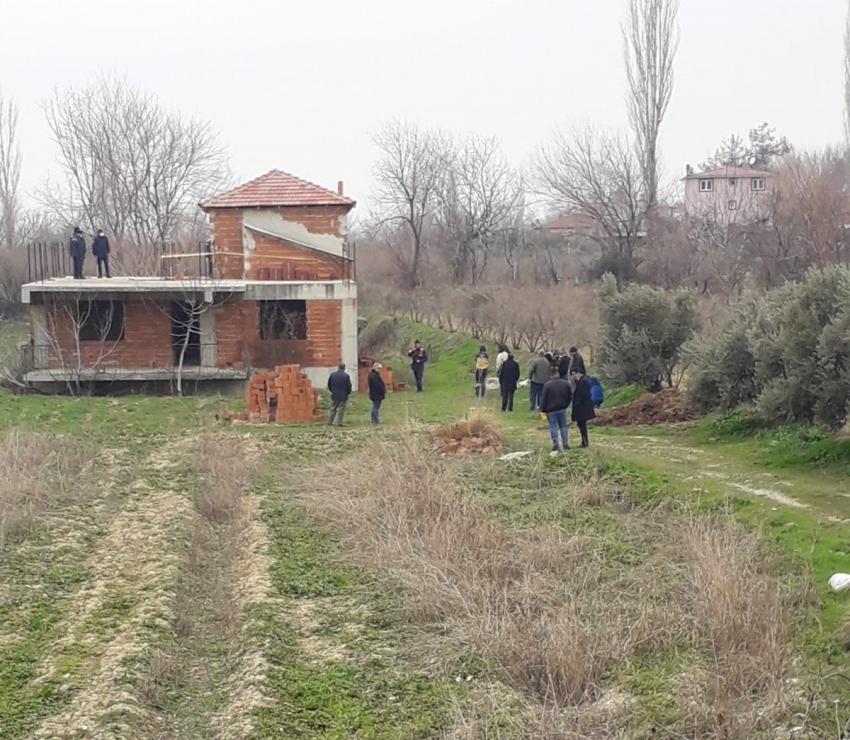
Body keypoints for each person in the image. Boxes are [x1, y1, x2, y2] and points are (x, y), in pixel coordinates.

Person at [540, 367, 573, 454]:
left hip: (551, 410)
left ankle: (555, 444)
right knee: (563, 427)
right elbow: (570, 396)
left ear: (551, 375)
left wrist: (543, 410)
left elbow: (544, 399)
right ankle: (565, 444)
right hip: (562, 408)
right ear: (558, 374)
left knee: (553, 427)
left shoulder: (547, 385)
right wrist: (566, 404)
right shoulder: (565, 384)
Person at [571, 367, 596, 448]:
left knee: (582, 425)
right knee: (581, 425)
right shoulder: (584, 380)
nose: (573, 376)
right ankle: (584, 442)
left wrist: (578, 402)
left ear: (579, 373)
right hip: (583, 408)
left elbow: (583, 395)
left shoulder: (583, 381)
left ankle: (585, 442)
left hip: (582, 408)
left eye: (574, 374)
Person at [327, 363, 352, 427]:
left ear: (338, 367)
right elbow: (349, 386)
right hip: (343, 395)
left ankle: (330, 421)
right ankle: (339, 423)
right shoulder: (346, 376)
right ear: (344, 368)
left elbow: (329, 384)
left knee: (333, 408)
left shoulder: (332, 375)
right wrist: (348, 393)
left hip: (334, 394)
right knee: (341, 409)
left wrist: (332, 391)